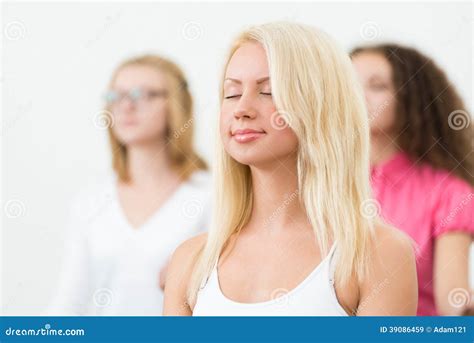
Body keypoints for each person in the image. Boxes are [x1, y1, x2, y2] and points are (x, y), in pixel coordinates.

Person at [163, 22, 418, 316]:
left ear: (319, 106)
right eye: (231, 94)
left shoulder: (377, 255)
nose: (241, 108)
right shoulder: (190, 261)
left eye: (269, 91)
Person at [47, 55, 211, 315]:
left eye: (143, 94)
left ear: (176, 105)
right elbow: (68, 304)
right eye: (117, 96)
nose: (126, 106)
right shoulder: (90, 201)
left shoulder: (211, 197)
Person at [351, 44, 473, 315]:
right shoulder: (322, 181)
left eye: (377, 86)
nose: (356, 95)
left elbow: (453, 305)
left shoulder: (449, 193)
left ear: (411, 98)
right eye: (348, 83)